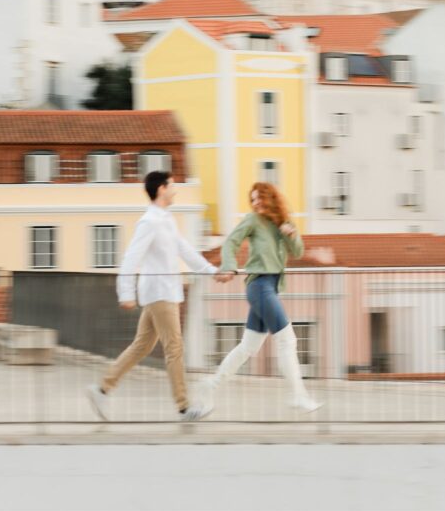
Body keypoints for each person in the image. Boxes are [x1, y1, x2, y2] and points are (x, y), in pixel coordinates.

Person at [87, 171, 219, 422]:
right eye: (171, 185)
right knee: (175, 347)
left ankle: (102, 389)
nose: (175, 190)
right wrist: (125, 292)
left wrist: (212, 271)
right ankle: (184, 407)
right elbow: (131, 258)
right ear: (161, 189)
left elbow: (186, 251)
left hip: (163, 291)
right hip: (160, 293)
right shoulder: (149, 222)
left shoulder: (166, 220)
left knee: (142, 346)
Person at [204, 182, 328, 412]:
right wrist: (229, 266)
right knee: (287, 340)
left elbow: (298, 252)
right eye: (252, 200)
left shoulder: (283, 222)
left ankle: (212, 384)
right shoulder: (252, 220)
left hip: (269, 287)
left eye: (259, 198)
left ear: (270, 197)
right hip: (259, 286)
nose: (256, 203)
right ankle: (298, 396)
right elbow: (231, 241)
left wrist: (291, 234)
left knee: (247, 347)